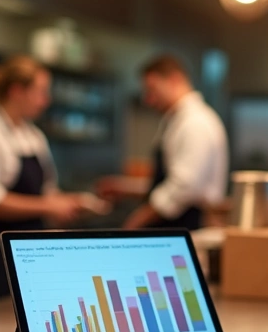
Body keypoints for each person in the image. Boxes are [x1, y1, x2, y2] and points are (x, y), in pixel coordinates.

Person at [0, 55, 89, 300]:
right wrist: (48, 206)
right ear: (17, 91)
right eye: (41, 92)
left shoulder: (33, 135)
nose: (46, 100)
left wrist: (72, 202)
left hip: (34, 248)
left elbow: (47, 190)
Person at [98, 54, 228, 230]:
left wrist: (137, 220)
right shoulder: (176, 121)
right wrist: (125, 188)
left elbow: (183, 188)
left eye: (152, 90)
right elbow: (166, 183)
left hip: (191, 228)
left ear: (175, 80)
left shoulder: (196, 122)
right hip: (178, 224)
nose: (148, 100)